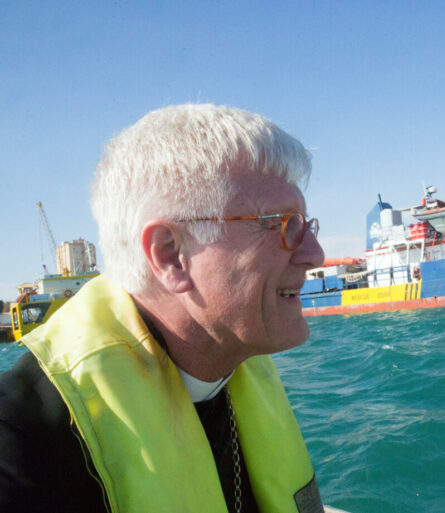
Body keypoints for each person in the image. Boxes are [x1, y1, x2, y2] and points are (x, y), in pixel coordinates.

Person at [0, 104, 326, 513]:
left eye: (307, 226)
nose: (315, 254)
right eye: (283, 223)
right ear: (171, 256)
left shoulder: (231, 373)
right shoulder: (22, 448)